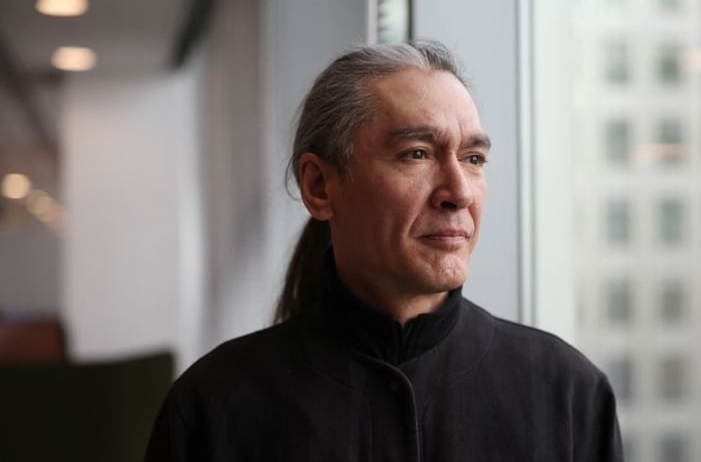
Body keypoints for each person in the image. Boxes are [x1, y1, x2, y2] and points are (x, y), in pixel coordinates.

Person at [144, 40, 624, 462]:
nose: (458, 192)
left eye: (473, 158)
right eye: (417, 154)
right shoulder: (216, 406)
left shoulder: (568, 393)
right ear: (319, 186)